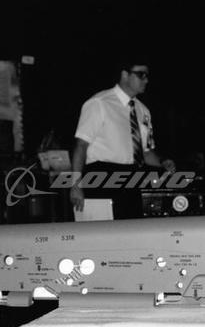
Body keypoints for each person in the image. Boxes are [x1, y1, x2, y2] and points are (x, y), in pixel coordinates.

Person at [70, 58, 176, 219]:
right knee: (101, 233)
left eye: (147, 76)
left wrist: (162, 162)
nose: (146, 80)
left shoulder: (143, 110)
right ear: (125, 75)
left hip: (132, 180)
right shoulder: (99, 103)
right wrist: (75, 185)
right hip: (101, 178)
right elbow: (81, 145)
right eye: (141, 75)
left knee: (131, 231)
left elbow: (145, 152)